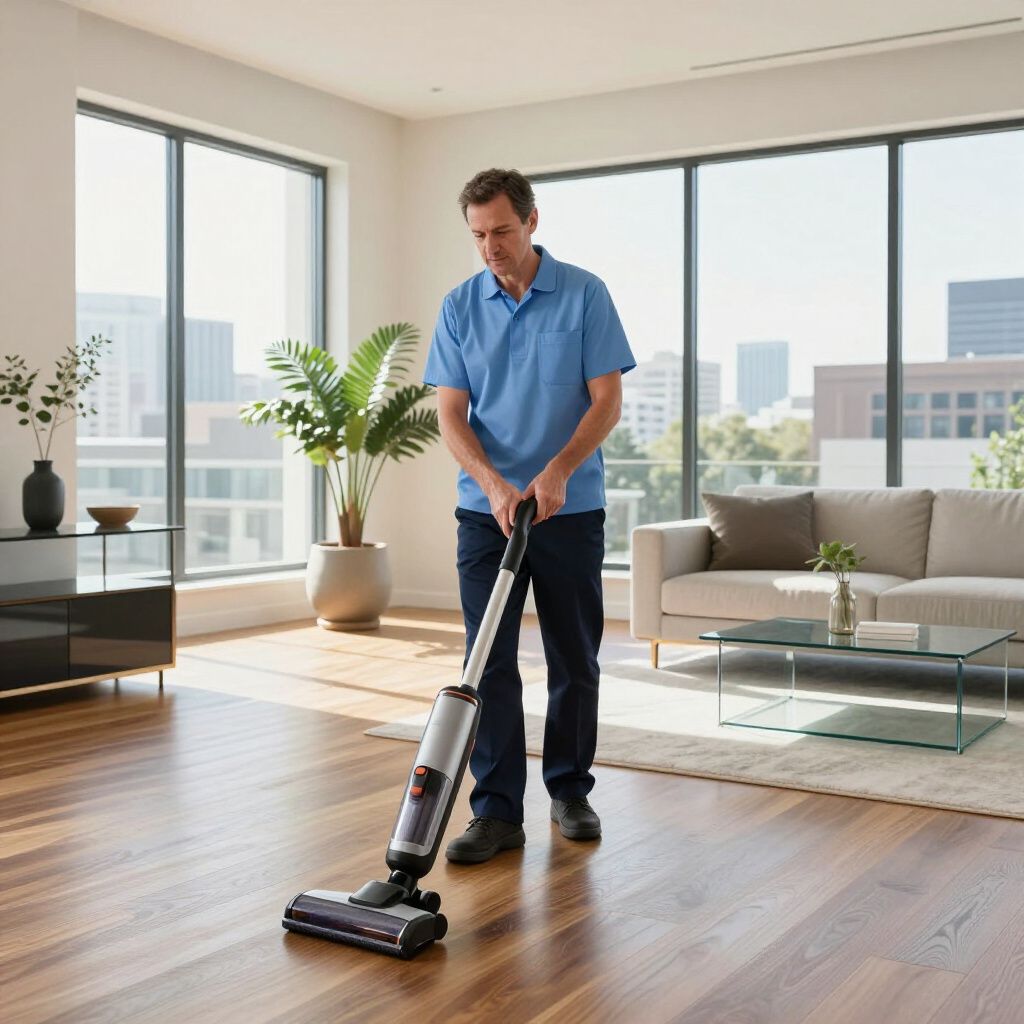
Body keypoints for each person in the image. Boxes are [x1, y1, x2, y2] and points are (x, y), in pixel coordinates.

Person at [423, 168, 635, 864]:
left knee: (574, 657)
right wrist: (490, 481)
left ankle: (570, 790)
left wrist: (557, 472)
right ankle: (497, 812)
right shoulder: (460, 307)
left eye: (503, 231)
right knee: (488, 664)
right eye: (479, 235)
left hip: (568, 509)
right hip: (486, 514)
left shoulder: (584, 295)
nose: (491, 247)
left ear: (532, 221)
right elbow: (450, 413)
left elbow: (606, 400)